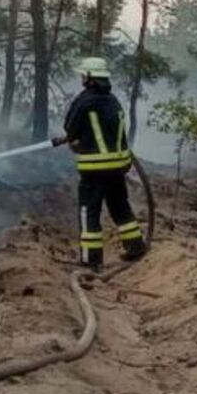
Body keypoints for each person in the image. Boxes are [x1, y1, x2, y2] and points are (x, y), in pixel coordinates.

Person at [51, 57, 146, 268]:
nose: (81, 78)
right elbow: (114, 134)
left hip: (93, 170)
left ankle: (91, 260)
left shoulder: (84, 101)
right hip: (117, 168)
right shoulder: (113, 101)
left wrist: (74, 141)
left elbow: (70, 129)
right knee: (120, 207)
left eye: (83, 75)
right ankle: (136, 247)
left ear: (90, 77)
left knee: (89, 212)